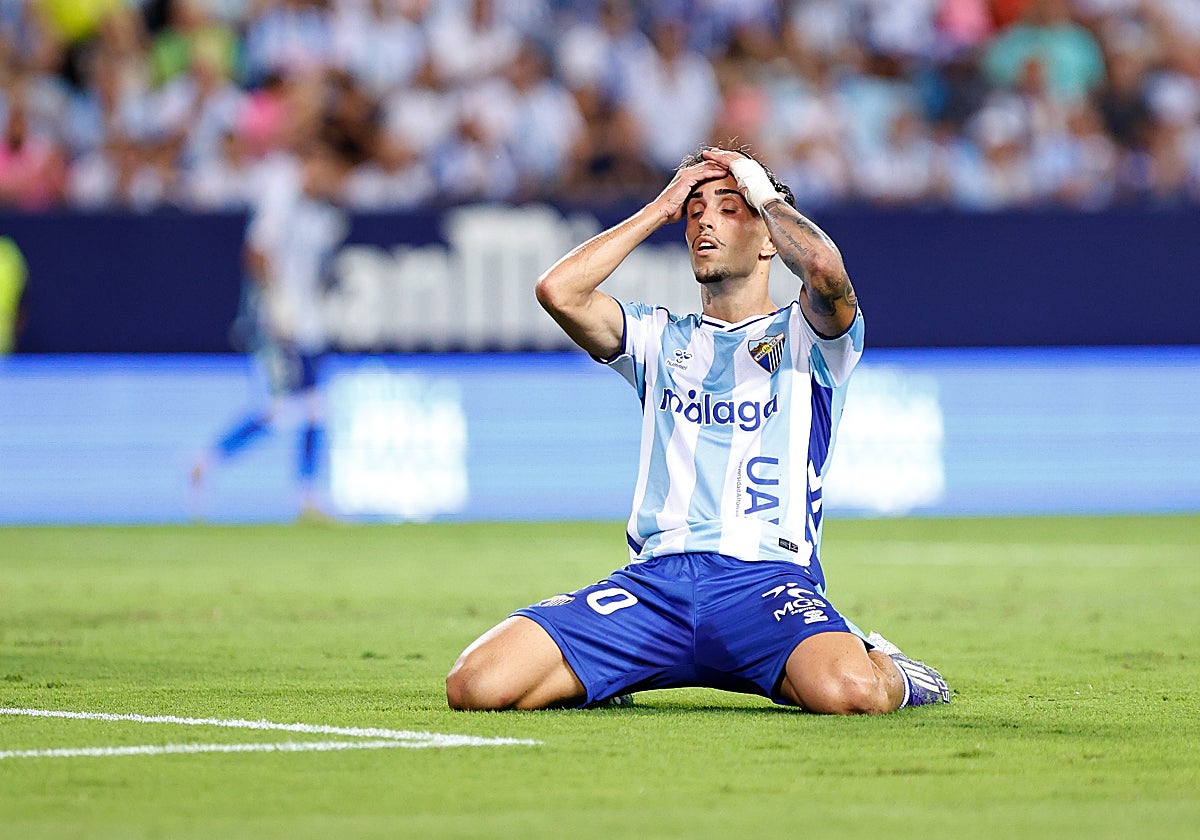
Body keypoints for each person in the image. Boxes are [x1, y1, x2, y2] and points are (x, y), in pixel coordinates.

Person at [445, 145, 951, 714]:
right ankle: (616, 671)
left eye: (729, 209)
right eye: (695, 211)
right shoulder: (657, 338)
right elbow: (558, 291)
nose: (704, 220)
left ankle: (898, 671)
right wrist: (659, 208)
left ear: (769, 239)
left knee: (852, 693)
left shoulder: (812, 337)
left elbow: (826, 271)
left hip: (766, 587)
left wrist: (764, 194)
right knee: (476, 685)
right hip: (653, 589)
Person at [190, 134, 350, 519]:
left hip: (309, 324)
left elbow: (317, 270)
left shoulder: (324, 215)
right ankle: (205, 461)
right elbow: (257, 252)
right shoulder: (281, 195)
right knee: (281, 410)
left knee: (315, 407)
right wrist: (275, 305)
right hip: (278, 321)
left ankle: (308, 496)